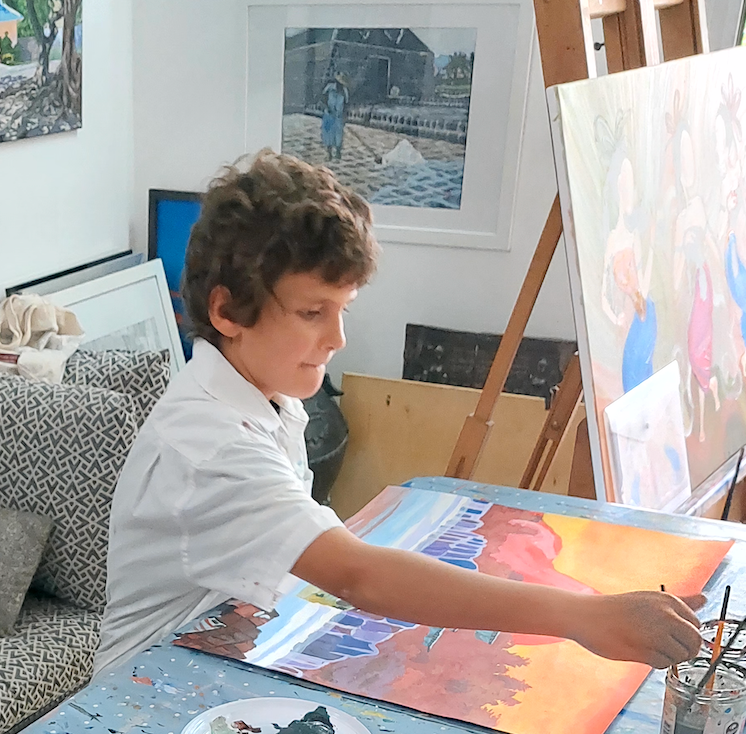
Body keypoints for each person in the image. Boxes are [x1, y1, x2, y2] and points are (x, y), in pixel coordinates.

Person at [97, 149, 705, 674]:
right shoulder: (210, 446)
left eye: (344, 309)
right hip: (135, 701)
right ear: (227, 312)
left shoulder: (266, 394)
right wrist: (582, 615)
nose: (338, 338)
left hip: (217, 656)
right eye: (312, 313)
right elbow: (360, 576)